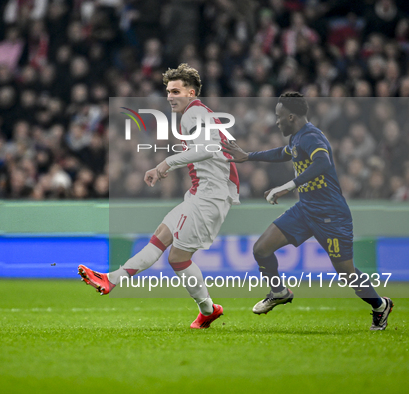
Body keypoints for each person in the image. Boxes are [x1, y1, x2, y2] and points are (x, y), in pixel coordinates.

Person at [78, 64, 240, 329]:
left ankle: (208, 309)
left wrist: (166, 163)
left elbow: (208, 149)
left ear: (190, 92)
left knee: (177, 258)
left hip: (211, 196)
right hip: (201, 194)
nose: (170, 96)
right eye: (167, 91)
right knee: (160, 239)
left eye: (176, 91)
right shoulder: (198, 114)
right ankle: (112, 279)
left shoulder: (194, 113)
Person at [221, 92, 393, 330]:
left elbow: (323, 163)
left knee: (347, 274)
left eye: (279, 117)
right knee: (261, 249)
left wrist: (287, 186)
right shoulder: (296, 138)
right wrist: (248, 156)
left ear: (291, 116)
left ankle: (380, 305)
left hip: (332, 214)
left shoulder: (311, 136)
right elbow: (283, 153)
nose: (277, 121)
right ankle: (279, 290)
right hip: (305, 210)